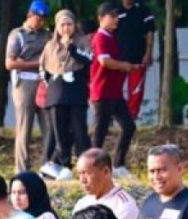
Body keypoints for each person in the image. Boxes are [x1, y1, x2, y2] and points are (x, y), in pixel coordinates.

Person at [38, 10, 93, 180]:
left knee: (79, 130)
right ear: (57, 27)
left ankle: (86, 167)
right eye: (62, 25)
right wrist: (54, 81)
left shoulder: (82, 41)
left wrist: (72, 48)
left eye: (69, 24)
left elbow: (88, 59)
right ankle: (63, 165)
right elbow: (43, 69)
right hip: (56, 94)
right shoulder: (50, 46)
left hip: (76, 91)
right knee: (59, 132)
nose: (66, 28)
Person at [90, 2, 137, 178]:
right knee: (100, 132)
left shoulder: (111, 37)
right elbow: (104, 61)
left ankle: (118, 164)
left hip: (115, 92)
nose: (116, 20)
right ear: (101, 18)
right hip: (102, 92)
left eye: (117, 16)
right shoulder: (100, 37)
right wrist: (123, 65)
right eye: (112, 16)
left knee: (129, 126)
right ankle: (92, 167)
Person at [6, 1, 52, 174]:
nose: (41, 22)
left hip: (44, 82)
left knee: (49, 126)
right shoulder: (17, 35)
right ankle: (22, 168)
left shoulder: (47, 35)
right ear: (30, 15)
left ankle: (48, 166)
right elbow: (10, 63)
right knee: (24, 127)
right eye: (38, 18)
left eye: (43, 19)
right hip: (25, 83)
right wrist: (38, 64)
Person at [116, 0, 155, 119]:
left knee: (136, 91)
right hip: (118, 59)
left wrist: (148, 52)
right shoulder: (115, 10)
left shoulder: (143, 10)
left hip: (138, 57)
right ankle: (114, 117)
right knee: (114, 89)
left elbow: (150, 32)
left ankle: (131, 118)